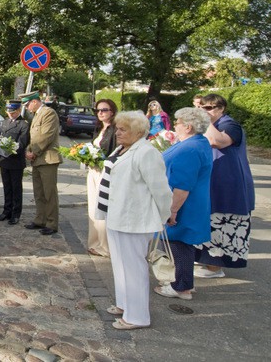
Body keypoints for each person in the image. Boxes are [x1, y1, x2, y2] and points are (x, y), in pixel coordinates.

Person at [97, 111, 172, 330]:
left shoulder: (146, 152)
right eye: (117, 129)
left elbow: (161, 190)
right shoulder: (123, 148)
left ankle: (137, 316)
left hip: (134, 218)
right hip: (116, 215)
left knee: (134, 268)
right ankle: (124, 304)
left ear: (138, 132)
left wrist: (163, 216)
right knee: (120, 265)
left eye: (123, 130)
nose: (118, 133)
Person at [154, 107, 213, 300]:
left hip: (184, 204)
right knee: (180, 244)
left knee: (178, 243)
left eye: (178, 122)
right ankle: (183, 281)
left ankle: (181, 286)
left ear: (187, 127)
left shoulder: (190, 148)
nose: (175, 125)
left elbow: (182, 185)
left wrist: (172, 211)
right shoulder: (197, 142)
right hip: (191, 201)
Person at [196, 93, 255, 278]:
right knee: (210, 220)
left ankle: (216, 266)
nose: (205, 112)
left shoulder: (230, 125)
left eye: (209, 108)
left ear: (221, 108)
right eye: (202, 108)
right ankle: (207, 262)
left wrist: (206, 122)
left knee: (223, 221)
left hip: (229, 183)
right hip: (213, 180)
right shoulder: (213, 125)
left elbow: (217, 141)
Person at [22, 91, 62, 235]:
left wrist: (34, 152)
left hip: (47, 159)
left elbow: (46, 136)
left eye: (27, 105)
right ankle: (40, 219)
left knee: (49, 193)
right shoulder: (37, 115)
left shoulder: (48, 113)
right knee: (39, 192)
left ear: (34, 101)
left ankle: (52, 223)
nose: (26, 108)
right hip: (38, 159)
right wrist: (28, 150)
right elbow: (33, 138)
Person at [86, 98, 119, 256]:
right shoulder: (99, 128)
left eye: (104, 110)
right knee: (93, 208)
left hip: (104, 172)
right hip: (93, 171)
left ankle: (106, 246)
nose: (100, 113)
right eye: (98, 110)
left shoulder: (114, 130)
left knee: (102, 208)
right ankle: (95, 242)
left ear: (112, 111)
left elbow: (114, 153)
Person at [0, 100, 30, 225]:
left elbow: (22, 143)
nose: (10, 115)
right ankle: (6, 211)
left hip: (15, 161)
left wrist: (9, 149)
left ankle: (15, 213)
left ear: (19, 111)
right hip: (4, 160)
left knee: (16, 188)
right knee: (6, 187)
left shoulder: (23, 124)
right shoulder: (4, 122)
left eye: (13, 113)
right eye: (9, 112)